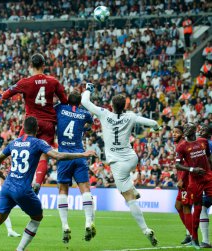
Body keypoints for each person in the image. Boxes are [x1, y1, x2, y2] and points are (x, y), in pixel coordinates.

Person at [0, 116, 96, 251]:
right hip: (22, 189)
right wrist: (82, 155)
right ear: (37, 129)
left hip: (7, 186)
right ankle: (19, 249)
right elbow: (58, 156)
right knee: (37, 217)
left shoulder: (14, 143)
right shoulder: (38, 143)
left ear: (23, 128)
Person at [81, 83, 159, 246]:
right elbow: (150, 122)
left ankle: (145, 229)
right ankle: (134, 189)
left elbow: (85, 102)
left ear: (112, 105)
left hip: (117, 164)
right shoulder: (130, 116)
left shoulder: (104, 114)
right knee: (129, 186)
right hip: (132, 159)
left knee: (129, 198)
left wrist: (89, 88)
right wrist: (156, 126)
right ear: (124, 106)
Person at [2, 53, 68, 192]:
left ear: (30, 66)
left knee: (19, 149)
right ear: (44, 65)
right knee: (43, 155)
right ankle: (37, 183)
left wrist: (21, 93)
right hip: (48, 123)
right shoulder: (53, 81)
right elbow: (65, 101)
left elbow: (5, 95)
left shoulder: (25, 82)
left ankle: (10, 185)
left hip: (31, 123)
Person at [55, 92, 95, 243]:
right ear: (79, 103)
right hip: (80, 155)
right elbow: (90, 125)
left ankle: (65, 225)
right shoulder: (84, 113)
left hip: (63, 156)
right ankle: (88, 222)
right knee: (85, 189)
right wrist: (84, 130)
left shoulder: (59, 108)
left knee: (63, 190)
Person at [175, 123, 212, 249]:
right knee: (196, 208)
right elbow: (178, 165)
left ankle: (197, 237)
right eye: (184, 128)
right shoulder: (181, 147)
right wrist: (192, 169)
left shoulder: (203, 141)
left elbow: (208, 156)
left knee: (199, 206)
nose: (185, 130)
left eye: (188, 128)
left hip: (207, 177)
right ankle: (194, 236)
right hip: (194, 181)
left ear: (195, 129)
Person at [172, 126, 192, 245]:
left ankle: (192, 235)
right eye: (173, 132)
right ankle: (189, 234)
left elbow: (188, 164)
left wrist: (182, 180)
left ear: (182, 134)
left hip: (187, 181)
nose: (174, 134)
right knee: (178, 206)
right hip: (183, 181)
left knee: (185, 207)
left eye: (177, 132)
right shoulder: (179, 145)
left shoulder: (183, 145)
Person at [198, 124, 212, 248]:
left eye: (204, 129)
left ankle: (206, 241)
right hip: (206, 179)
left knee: (203, 206)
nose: (201, 131)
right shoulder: (201, 143)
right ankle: (206, 241)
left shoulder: (206, 143)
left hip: (208, 179)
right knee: (203, 206)